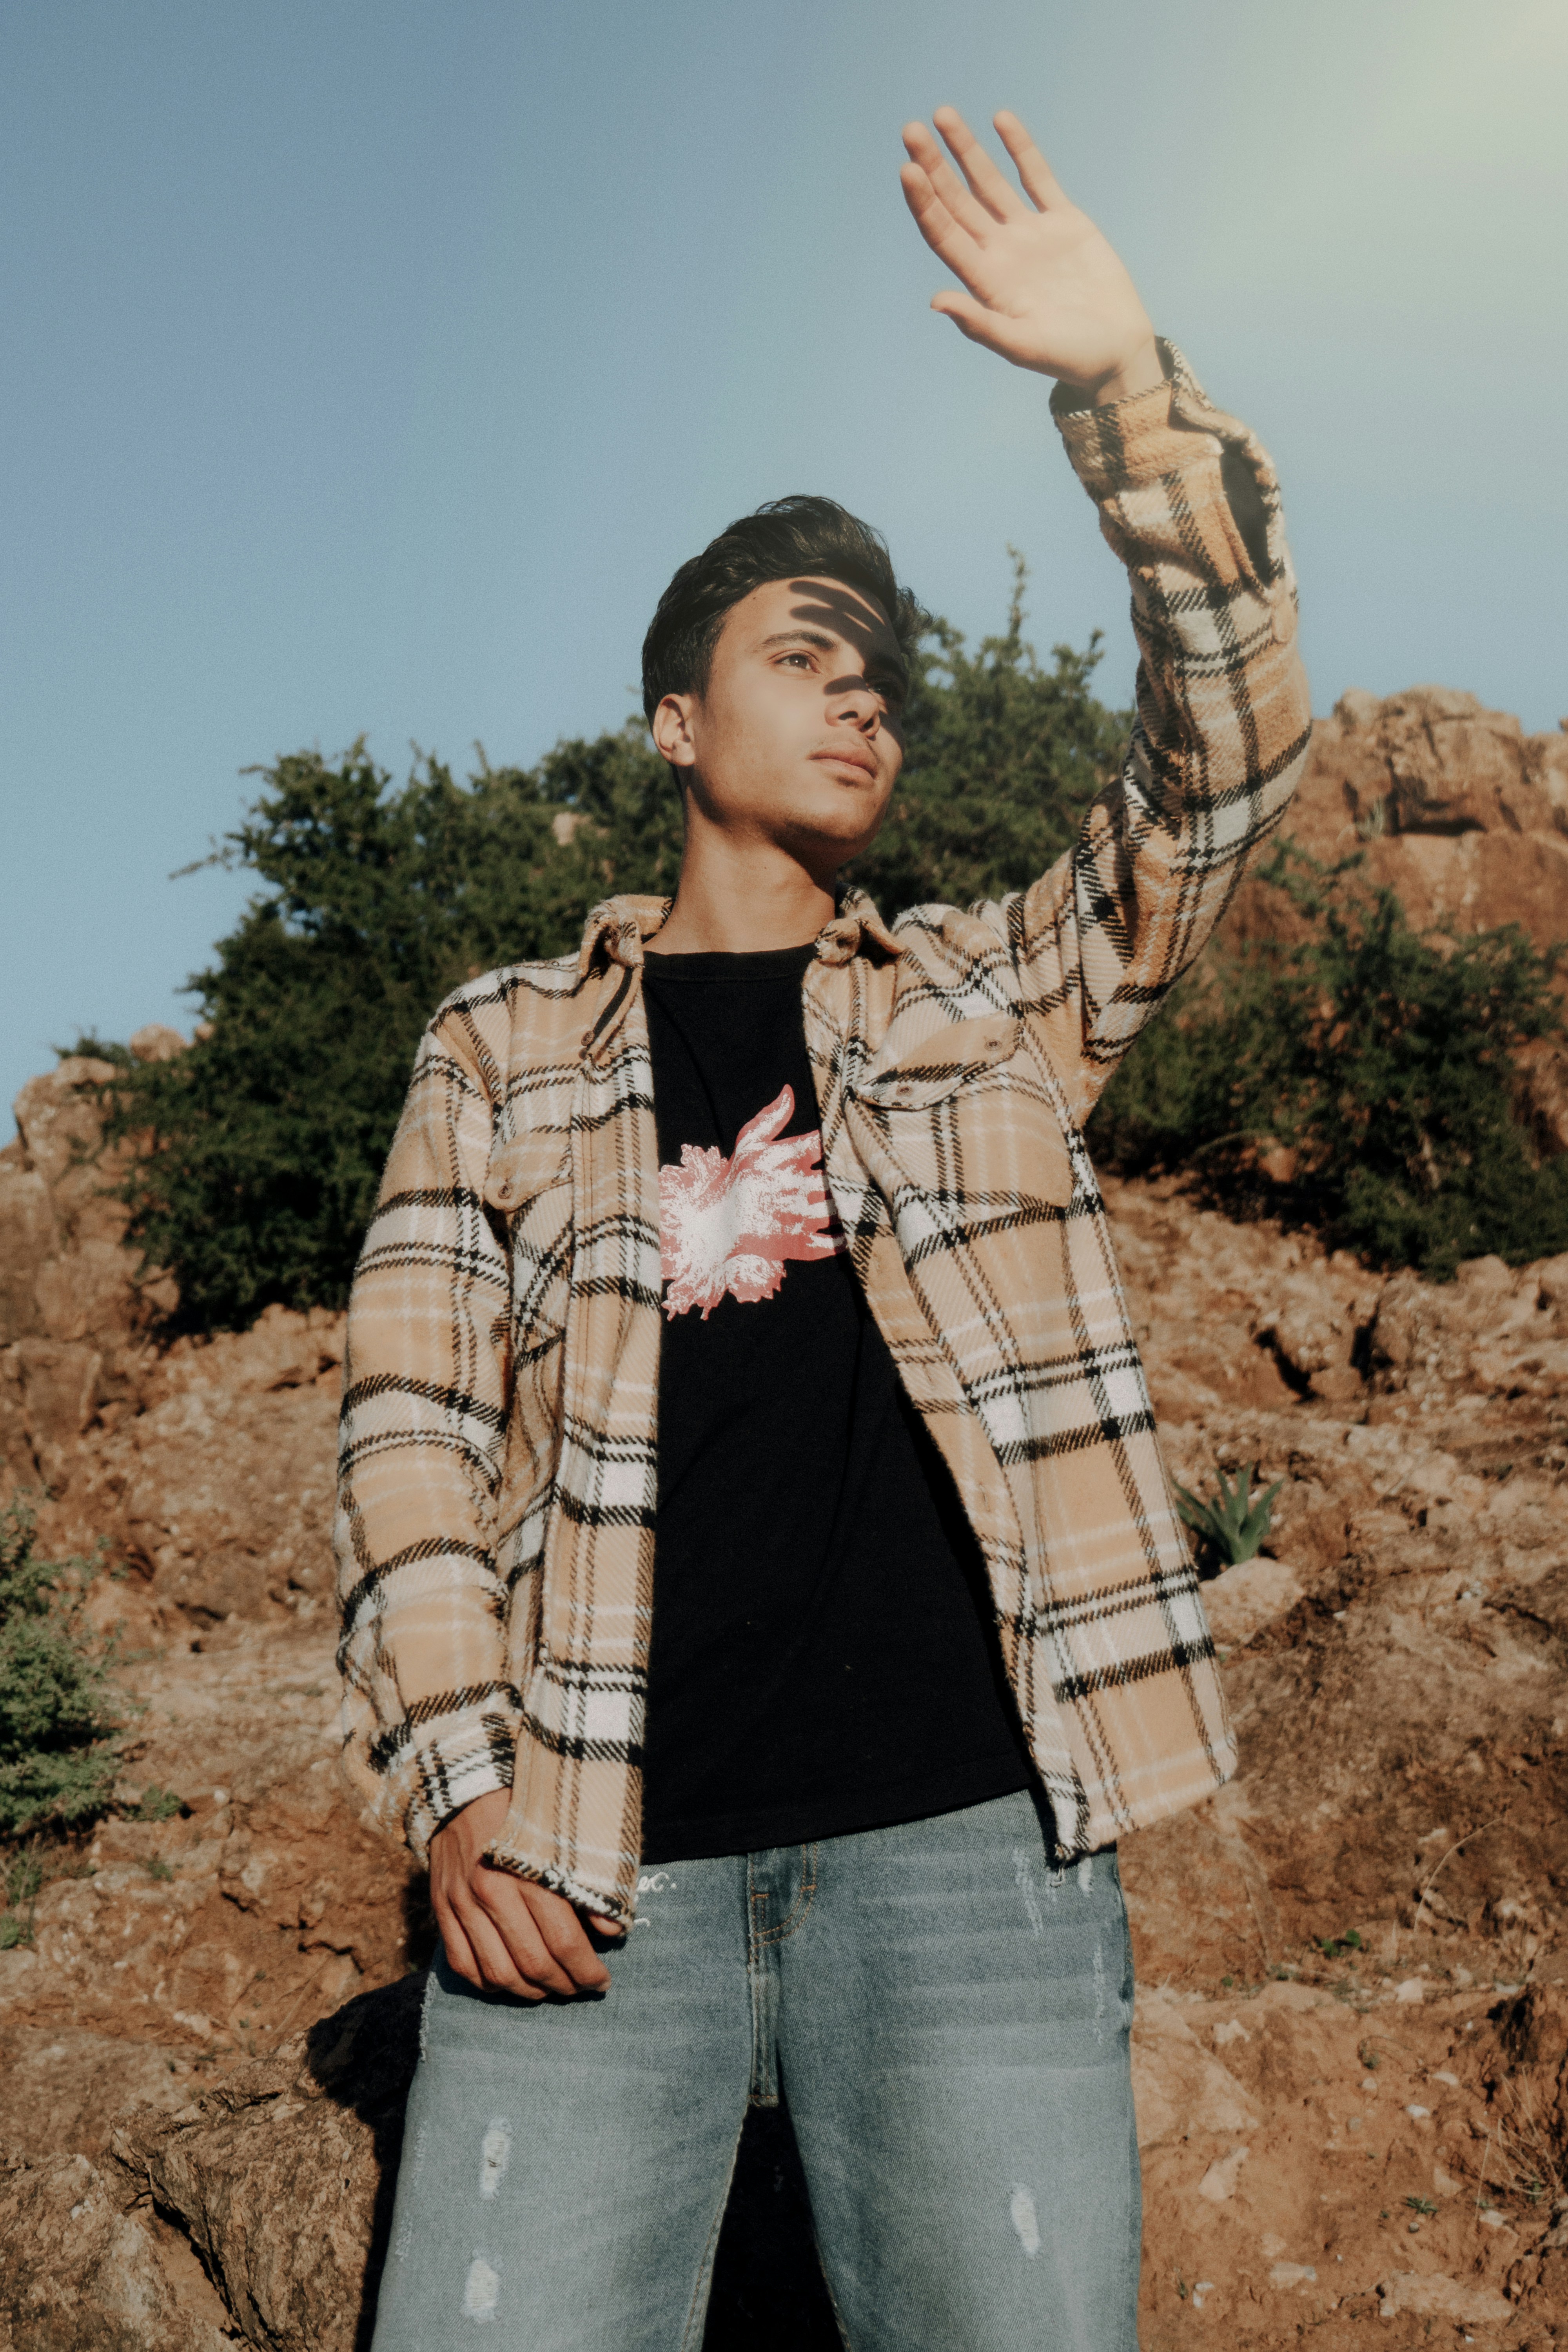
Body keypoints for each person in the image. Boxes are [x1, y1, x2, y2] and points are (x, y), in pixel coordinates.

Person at [336, 103, 1311, 2352]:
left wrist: (1124, 388)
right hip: (594, 1861)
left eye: (886, 661)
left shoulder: (983, 997)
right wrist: (463, 1789)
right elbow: (403, 1428)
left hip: (973, 1855)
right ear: (677, 718)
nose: (867, 686)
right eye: (806, 650)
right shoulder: (498, 1046)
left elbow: (1225, 766)